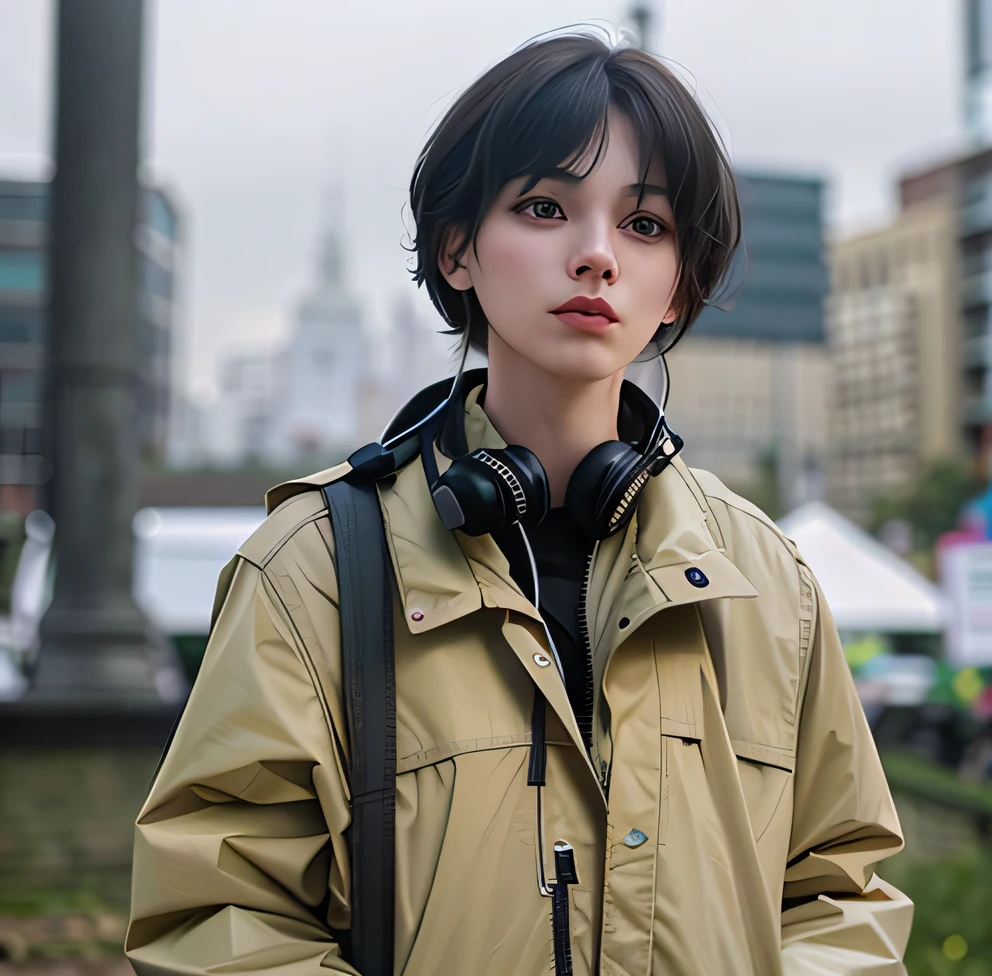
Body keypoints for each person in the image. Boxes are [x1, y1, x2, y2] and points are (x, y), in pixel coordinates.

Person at [127, 27, 913, 976]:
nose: (596, 256)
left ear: (677, 288)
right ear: (458, 250)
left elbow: (842, 895)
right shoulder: (316, 571)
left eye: (645, 223)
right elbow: (217, 917)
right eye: (544, 207)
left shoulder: (766, 585)